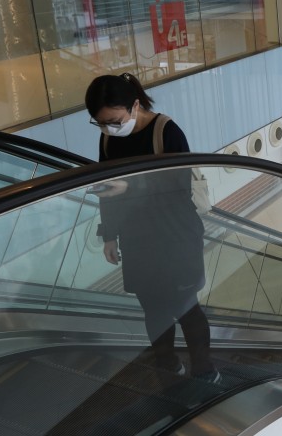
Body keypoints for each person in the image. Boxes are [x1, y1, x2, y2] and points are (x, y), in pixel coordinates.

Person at [85, 73, 218, 381]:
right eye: (101, 123)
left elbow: (178, 190)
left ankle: (204, 369)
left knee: (186, 307)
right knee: (154, 308)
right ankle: (167, 365)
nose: (109, 128)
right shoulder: (109, 138)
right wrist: (109, 235)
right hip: (137, 240)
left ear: (134, 105)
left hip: (176, 237)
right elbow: (108, 187)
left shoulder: (166, 132)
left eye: (115, 120)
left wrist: (130, 188)